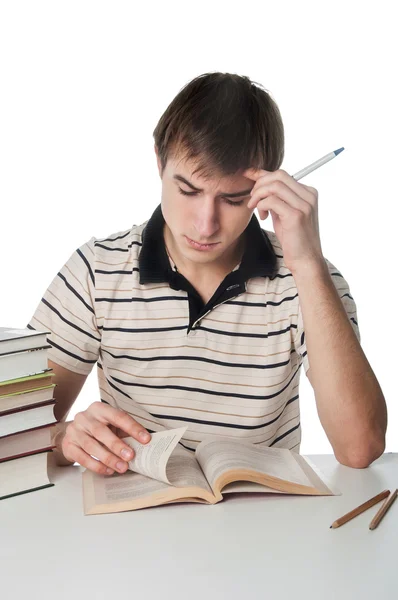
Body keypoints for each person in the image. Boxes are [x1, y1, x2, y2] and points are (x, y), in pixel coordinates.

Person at [28, 72, 387, 476]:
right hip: (132, 523)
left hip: (270, 526)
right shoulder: (96, 271)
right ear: (160, 163)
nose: (205, 225)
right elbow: (11, 430)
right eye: (187, 190)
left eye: (233, 199)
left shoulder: (310, 280)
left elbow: (361, 448)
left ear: (268, 187)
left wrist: (307, 265)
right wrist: (64, 438)